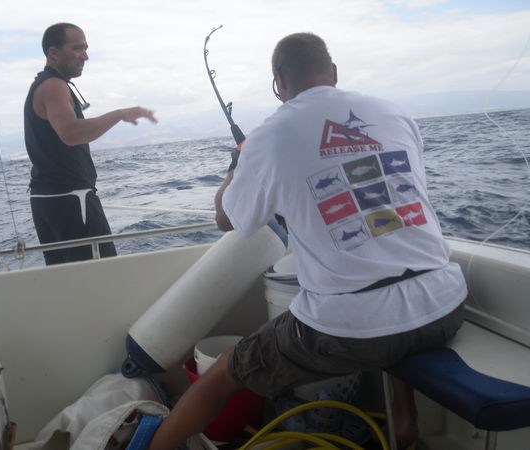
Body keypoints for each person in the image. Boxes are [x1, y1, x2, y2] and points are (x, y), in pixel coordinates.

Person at [147, 32, 467, 450]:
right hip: (445, 304)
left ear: (279, 80)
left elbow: (227, 219)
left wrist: (237, 165)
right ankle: (405, 422)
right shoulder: (393, 112)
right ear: (333, 71)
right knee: (389, 302)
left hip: (351, 330)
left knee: (224, 372)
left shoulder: (268, 136)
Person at [24, 22, 157, 265]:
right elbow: (71, 133)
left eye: (85, 48)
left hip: (48, 200)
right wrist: (119, 114)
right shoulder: (53, 86)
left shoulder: (45, 85)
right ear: (53, 53)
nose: (85, 56)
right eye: (77, 48)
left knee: (67, 278)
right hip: (72, 198)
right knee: (101, 275)